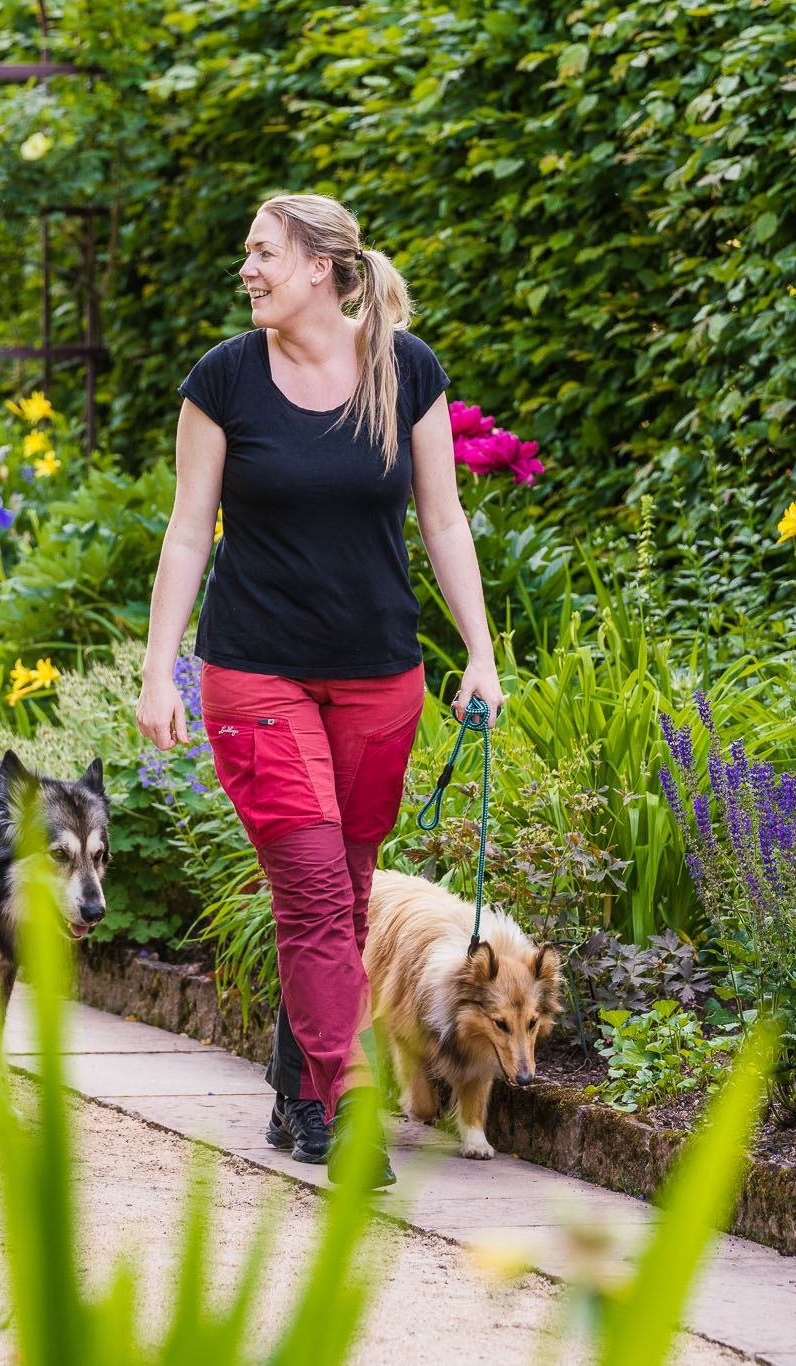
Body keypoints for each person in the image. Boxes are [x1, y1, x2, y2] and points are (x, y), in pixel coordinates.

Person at [136, 193, 502, 1185]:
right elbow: (185, 530)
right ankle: (339, 1105)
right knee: (308, 887)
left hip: (380, 674)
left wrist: (478, 651)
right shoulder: (222, 379)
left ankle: (297, 1080)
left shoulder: (404, 369)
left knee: (342, 892)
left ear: (318, 267)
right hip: (254, 667)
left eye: (260, 252)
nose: (245, 269)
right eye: (247, 252)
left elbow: (445, 519)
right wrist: (157, 666)